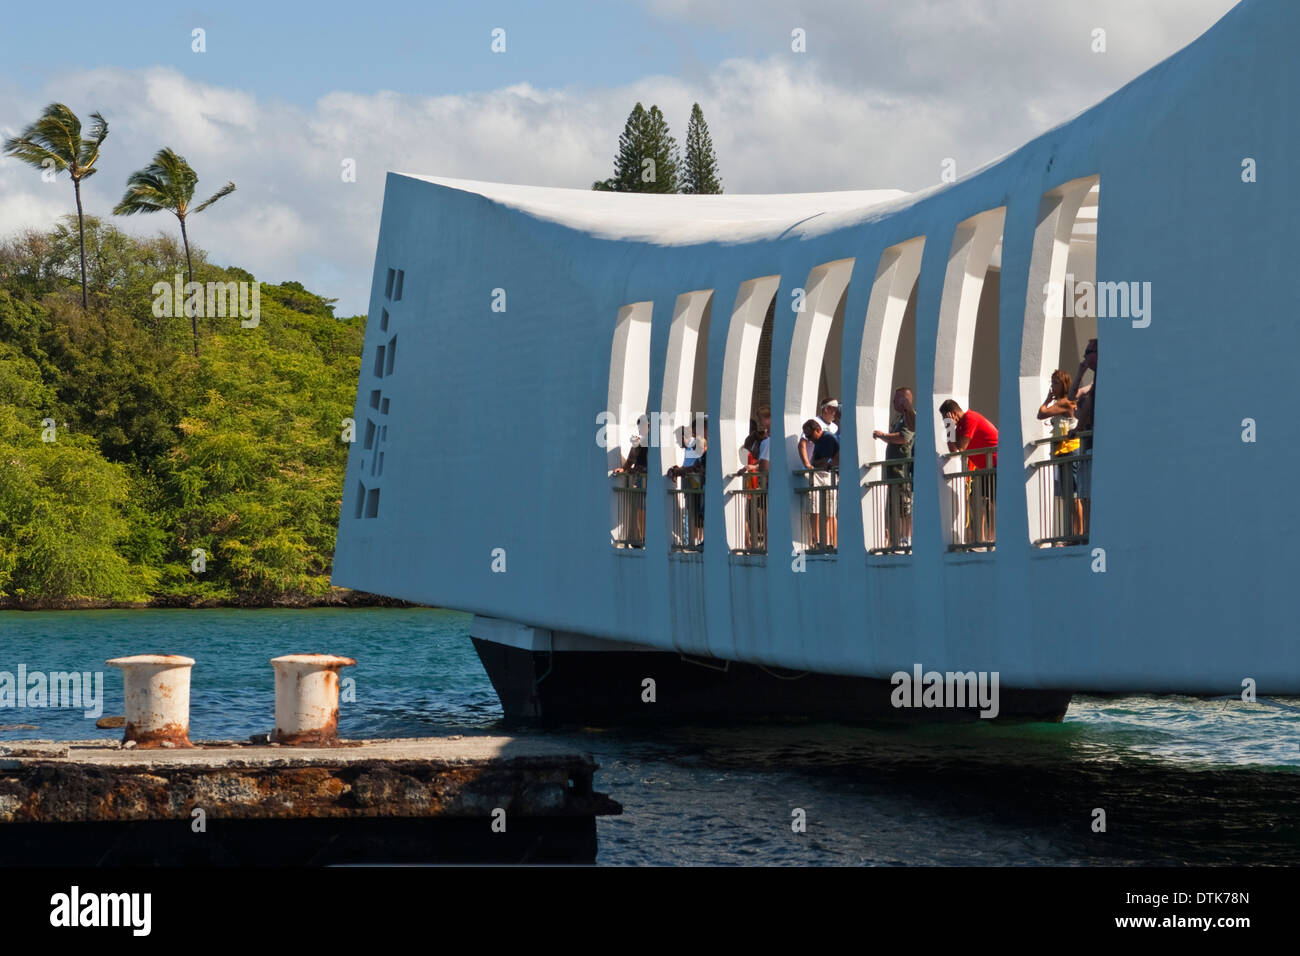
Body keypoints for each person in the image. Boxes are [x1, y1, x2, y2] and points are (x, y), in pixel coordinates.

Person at [939, 400, 998, 546]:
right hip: (985, 468)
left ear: (952, 414)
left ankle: (994, 538)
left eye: (945, 418)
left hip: (997, 464)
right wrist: (949, 427)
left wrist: (950, 426)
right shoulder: (958, 426)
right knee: (979, 501)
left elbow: (961, 447)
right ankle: (982, 539)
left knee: (994, 503)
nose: (945, 421)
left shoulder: (971, 418)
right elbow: (953, 450)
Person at [1037, 370, 1080, 541]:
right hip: (1062, 451)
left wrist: (1047, 400)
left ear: (1064, 384)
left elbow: (1041, 414)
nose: (1052, 387)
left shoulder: (1064, 402)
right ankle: (1072, 534)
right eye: (1052, 383)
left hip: (1069, 449)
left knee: (1073, 495)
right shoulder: (1063, 401)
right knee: (1068, 496)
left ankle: (1077, 533)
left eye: (1056, 383)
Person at [873, 386, 915, 550]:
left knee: (905, 507)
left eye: (896, 399)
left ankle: (906, 538)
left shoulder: (910, 418)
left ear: (905, 400)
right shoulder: (899, 418)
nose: (893, 402)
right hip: (893, 472)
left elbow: (904, 438)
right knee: (894, 508)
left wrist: (883, 435)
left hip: (901, 471)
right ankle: (896, 540)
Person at [1069, 339, 1097, 534]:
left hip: (1094, 444)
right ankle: (1086, 532)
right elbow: (1071, 397)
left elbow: (1087, 406)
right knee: (1085, 493)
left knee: (1091, 494)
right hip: (1087, 444)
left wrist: (1077, 427)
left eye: (1089, 352)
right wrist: (1079, 373)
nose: (1085, 356)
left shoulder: (1101, 379)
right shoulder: (1093, 381)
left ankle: (1089, 532)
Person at [801, 418, 839, 551]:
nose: (810, 439)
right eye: (807, 437)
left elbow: (826, 460)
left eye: (811, 436)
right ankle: (817, 540)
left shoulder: (828, 438)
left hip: (827, 476)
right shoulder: (818, 441)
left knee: (829, 512)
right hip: (820, 476)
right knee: (815, 509)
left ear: (818, 430)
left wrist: (813, 465)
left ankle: (832, 542)